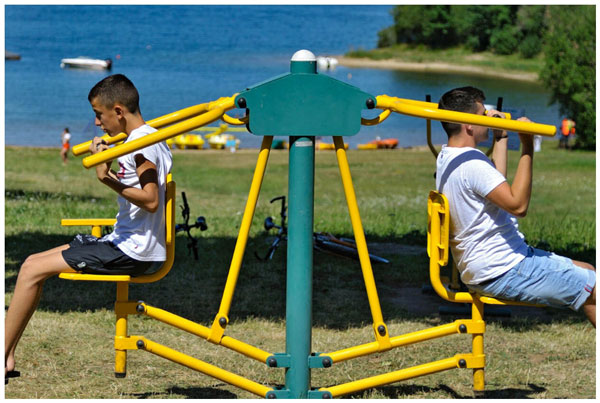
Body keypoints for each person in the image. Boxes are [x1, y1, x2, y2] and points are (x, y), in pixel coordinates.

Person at [5, 74, 173, 382]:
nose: (97, 123)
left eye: (100, 115)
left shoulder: (142, 147)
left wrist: (105, 176)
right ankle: (7, 356)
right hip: (123, 243)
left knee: (30, 270)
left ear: (119, 111)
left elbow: (150, 201)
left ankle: (2, 355)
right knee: (31, 265)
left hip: (133, 251)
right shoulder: (143, 139)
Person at [435, 86, 595, 326]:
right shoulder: (472, 165)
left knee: (588, 268)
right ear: (468, 124)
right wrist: (527, 146)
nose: (488, 117)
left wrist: (501, 135)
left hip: (487, 266)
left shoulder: (449, 157)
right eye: (482, 113)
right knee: (595, 287)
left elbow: (495, 181)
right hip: (502, 269)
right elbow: (518, 206)